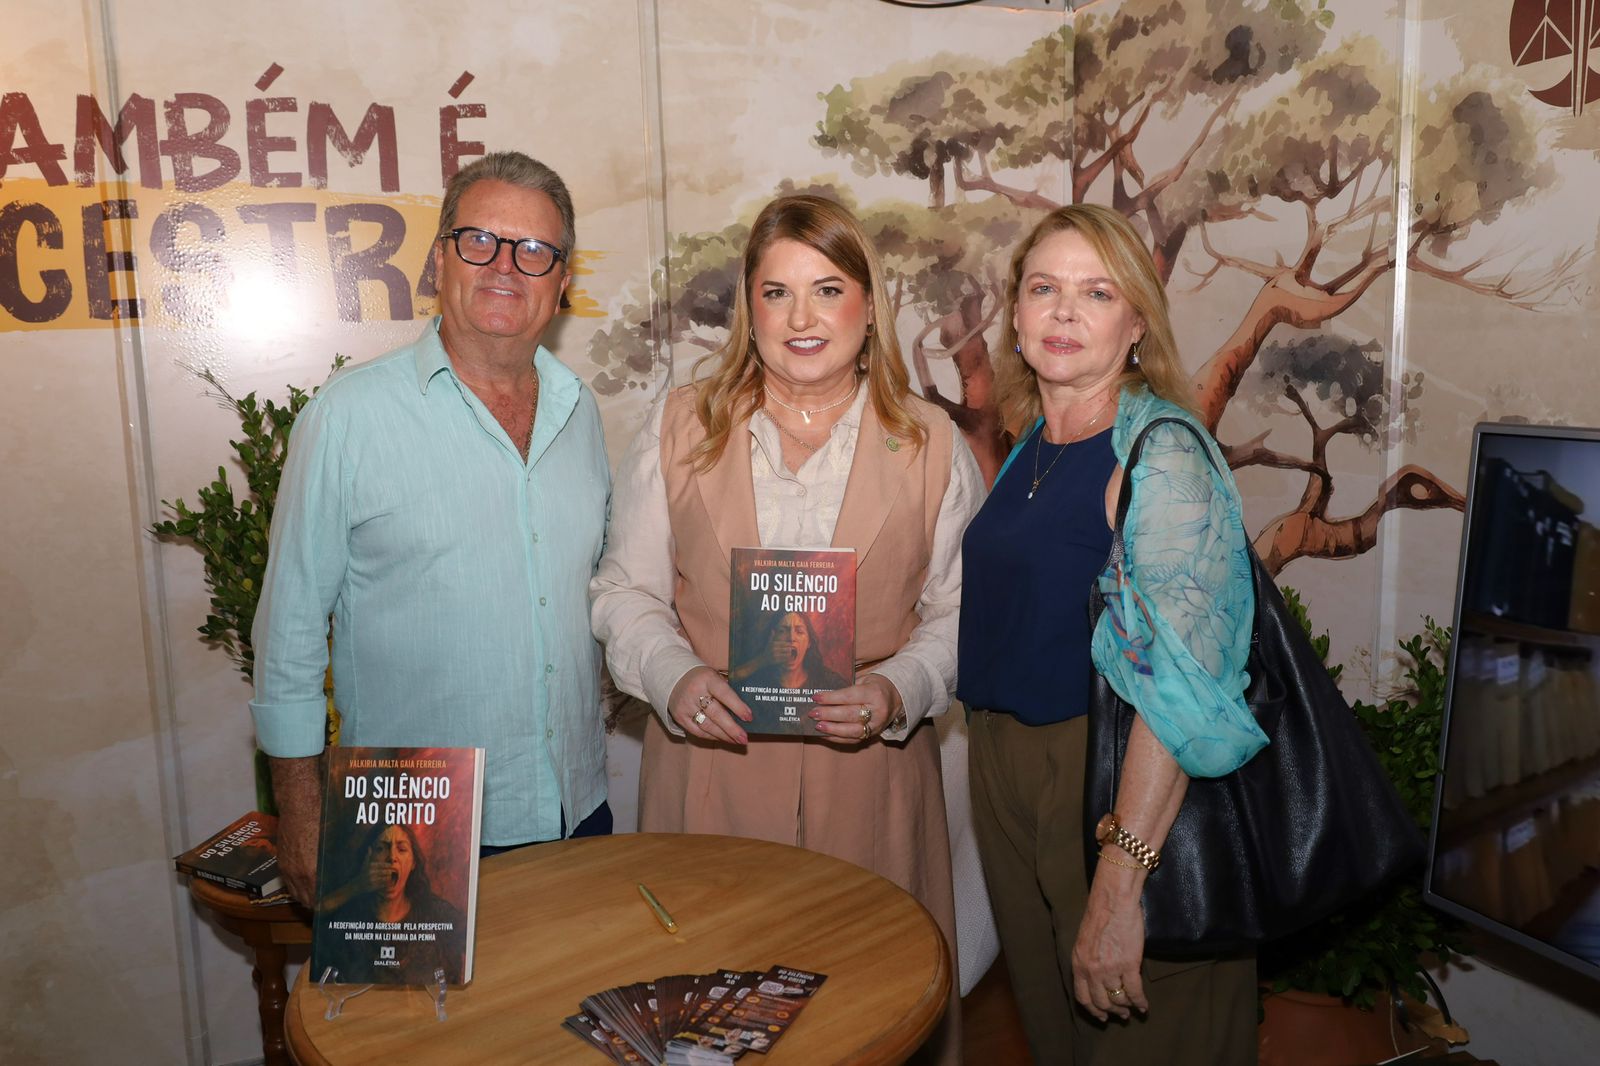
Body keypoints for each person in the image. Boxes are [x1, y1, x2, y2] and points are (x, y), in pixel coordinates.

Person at [591, 194, 981, 1064]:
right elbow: (625, 591)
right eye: (777, 293)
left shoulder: (931, 441)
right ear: (750, 307)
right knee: (706, 1019)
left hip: (871, 781)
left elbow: (963, 611)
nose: (802, 318)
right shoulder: (682, 425)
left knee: (869, 1015)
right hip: (710, 774)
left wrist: (899, 688)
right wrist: (673, 676)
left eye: (827, 289)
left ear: (869, 307)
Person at [251, 151, 612, 904]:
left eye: (534, 250)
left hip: (575, 813)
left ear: (562, 282)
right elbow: (288, 634)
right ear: (438, 259)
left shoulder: (580, 413)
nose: (505, 266)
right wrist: (302, 812)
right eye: (479, 241)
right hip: (412, 835)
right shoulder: (347, 418)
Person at [958, 203, 1266, 1064]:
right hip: (1009, 773)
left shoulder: (1160, 454)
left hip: (1113, 781)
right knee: (1059, 1036)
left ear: (1136, 324)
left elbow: (1180, 695)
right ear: (1016, 314)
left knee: (1144, 1033)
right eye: (1043, 288)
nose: (1064, 311)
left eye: (1097, 293)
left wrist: (1123, 882)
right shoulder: (1036, 442)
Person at [322, 822, 467, 982]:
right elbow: (319, 915)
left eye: (402, 849)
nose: (391, 857)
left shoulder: (436, 912)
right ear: (368, 859)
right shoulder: (349, 914)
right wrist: (357, 886)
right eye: (380, 849)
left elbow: (468, 940)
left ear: (413, 863)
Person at [732, 610, 848, 691]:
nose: (791, 638)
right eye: (783, 631)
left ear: (809, 642)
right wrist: (763, 659)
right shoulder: (755, 681)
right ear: (773, 637)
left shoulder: (828, 681)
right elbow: (732, 679)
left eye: (799, 631)